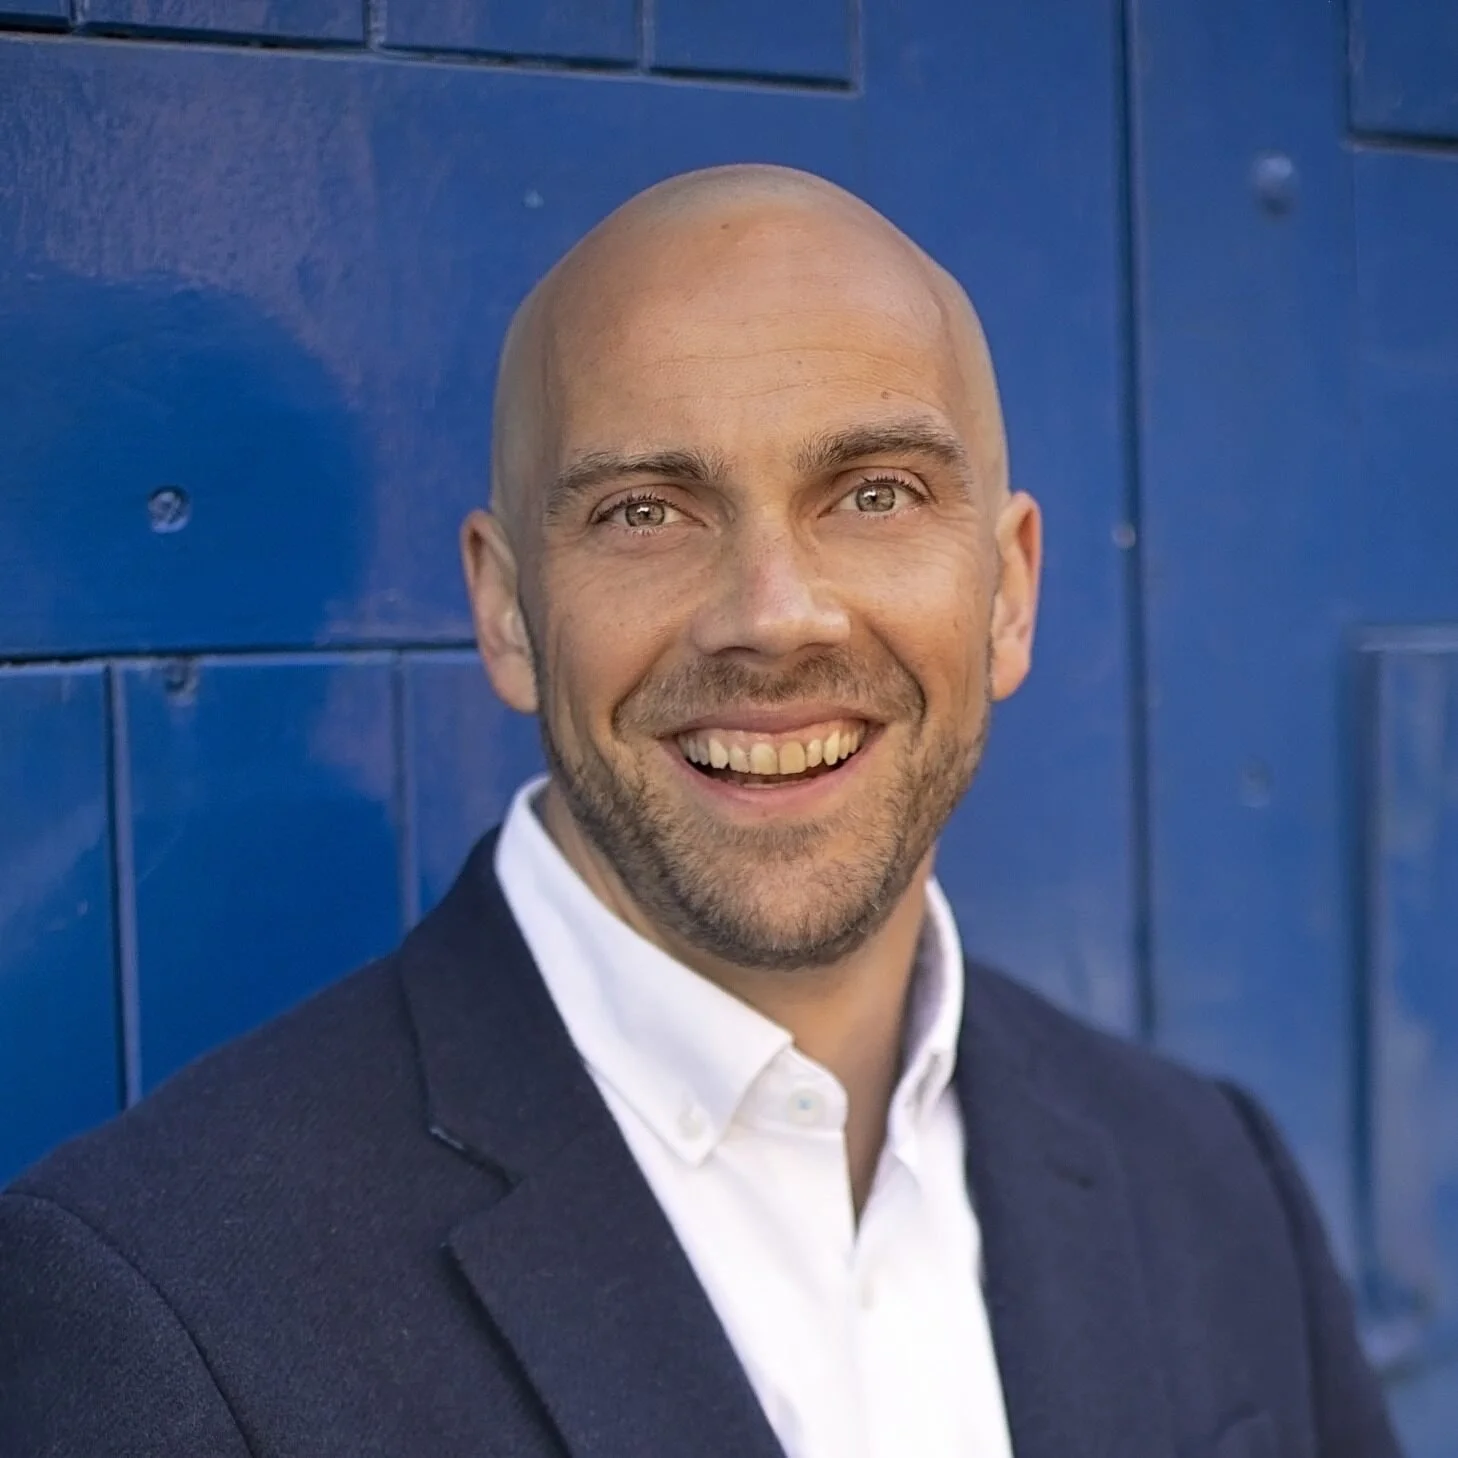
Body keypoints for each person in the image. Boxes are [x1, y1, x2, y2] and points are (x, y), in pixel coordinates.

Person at [0, 165, 1399, 1458]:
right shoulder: (156, 1304)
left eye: (871, 492)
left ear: (1009, 589)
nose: (772, 618)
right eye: (643, 513)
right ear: (503, 609)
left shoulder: (1214, 1182)